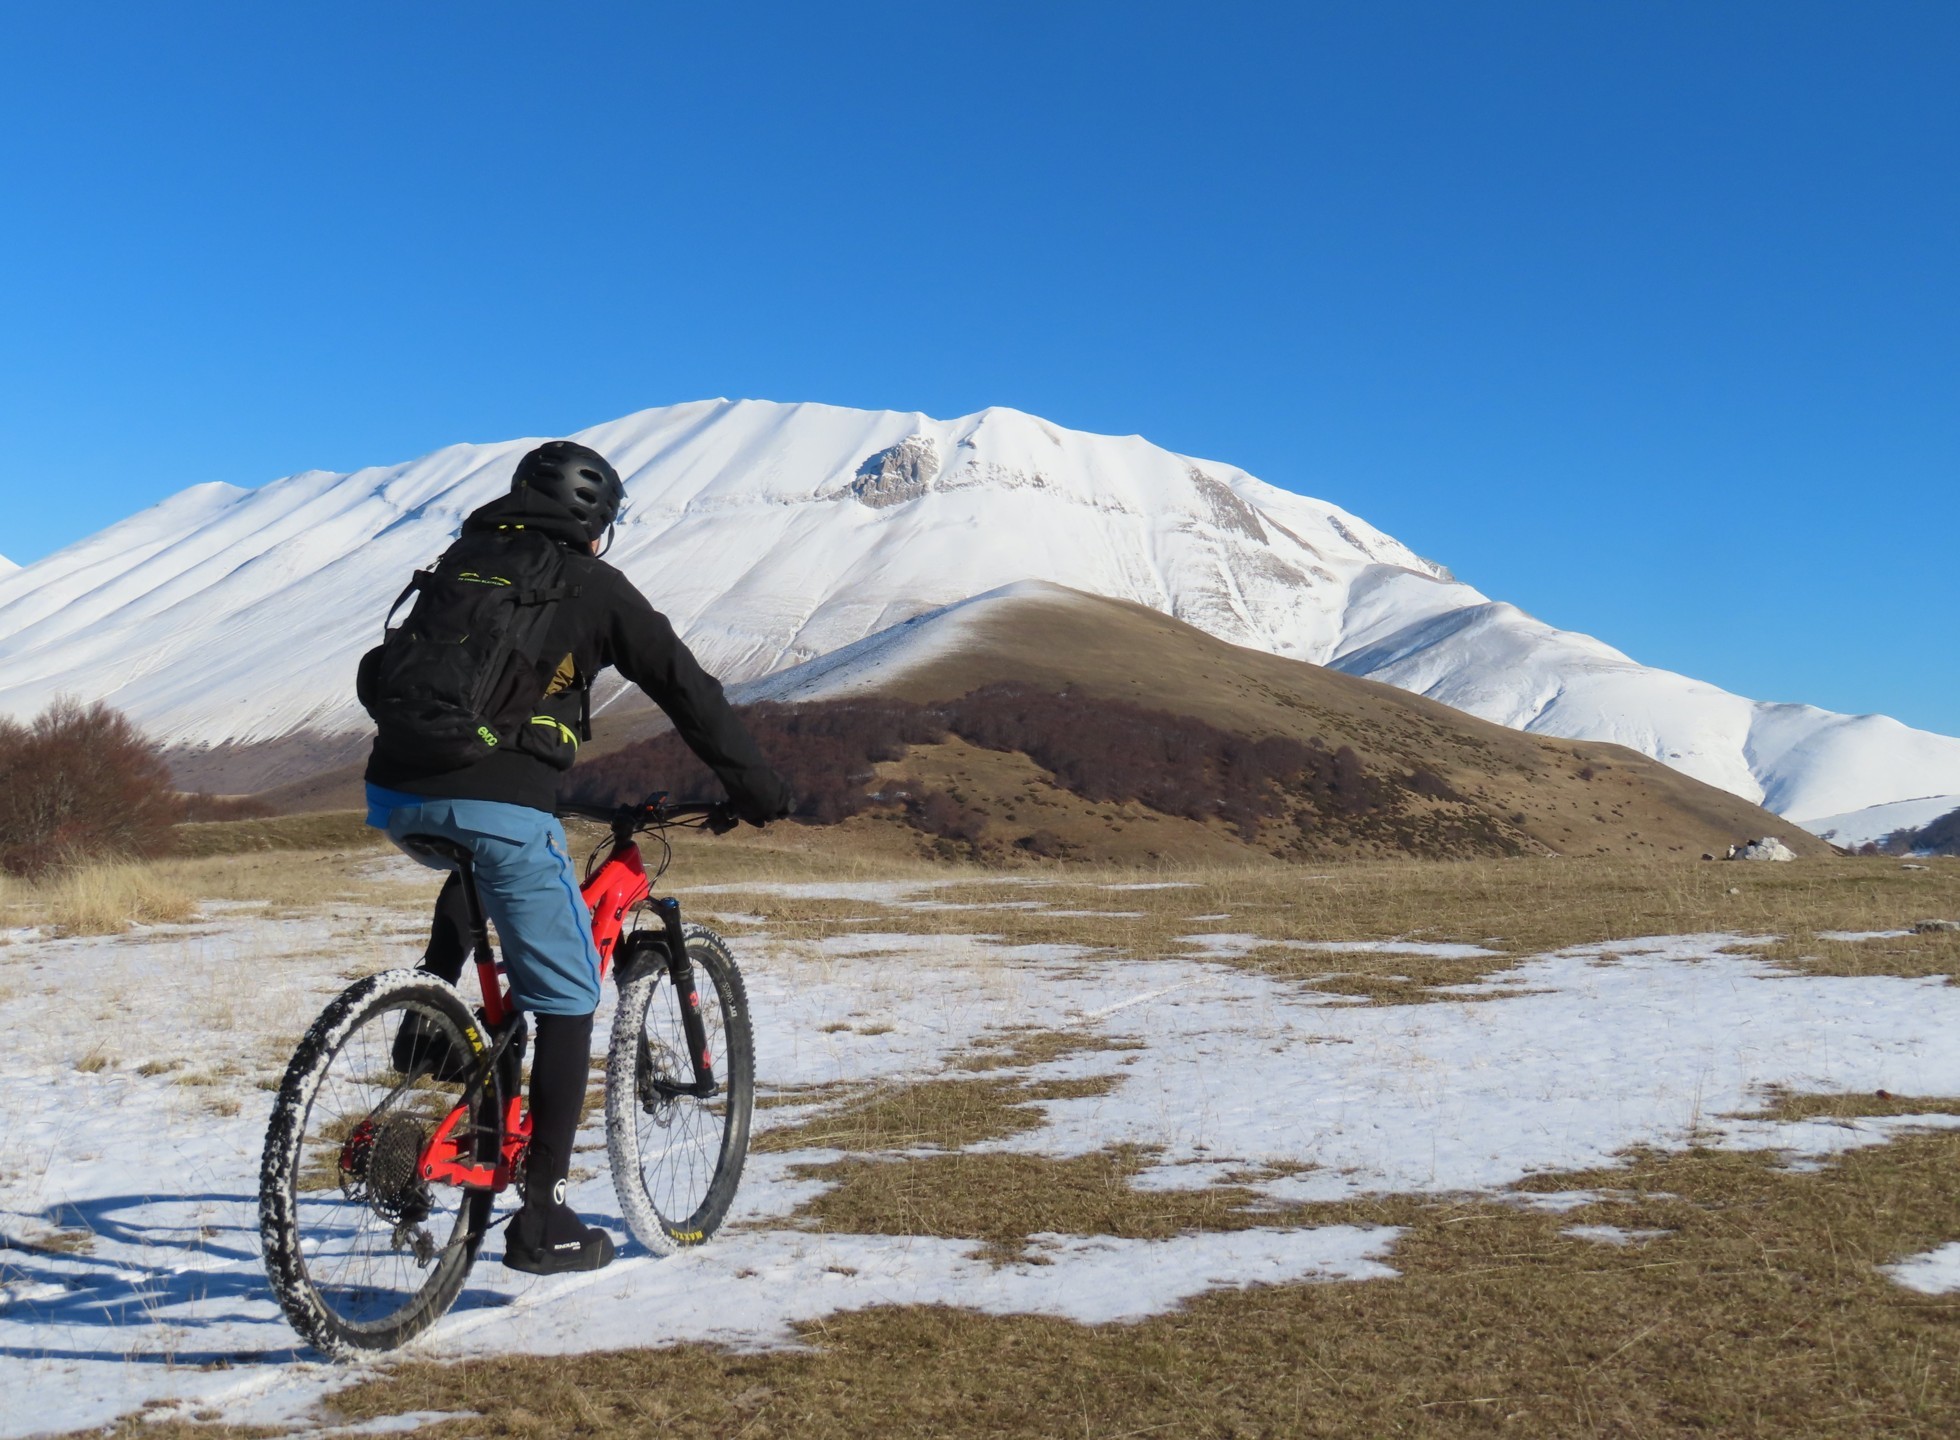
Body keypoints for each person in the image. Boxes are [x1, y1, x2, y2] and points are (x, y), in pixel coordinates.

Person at [362, 439, 793, 1275]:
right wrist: (757, 788)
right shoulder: (589, 582)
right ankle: (544, 1219)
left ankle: (425, 1027)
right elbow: (686, 688)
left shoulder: (463, 561)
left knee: (478, 867)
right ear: (597, 521)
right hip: (496, 799)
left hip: (394, 793)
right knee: (567, 992)